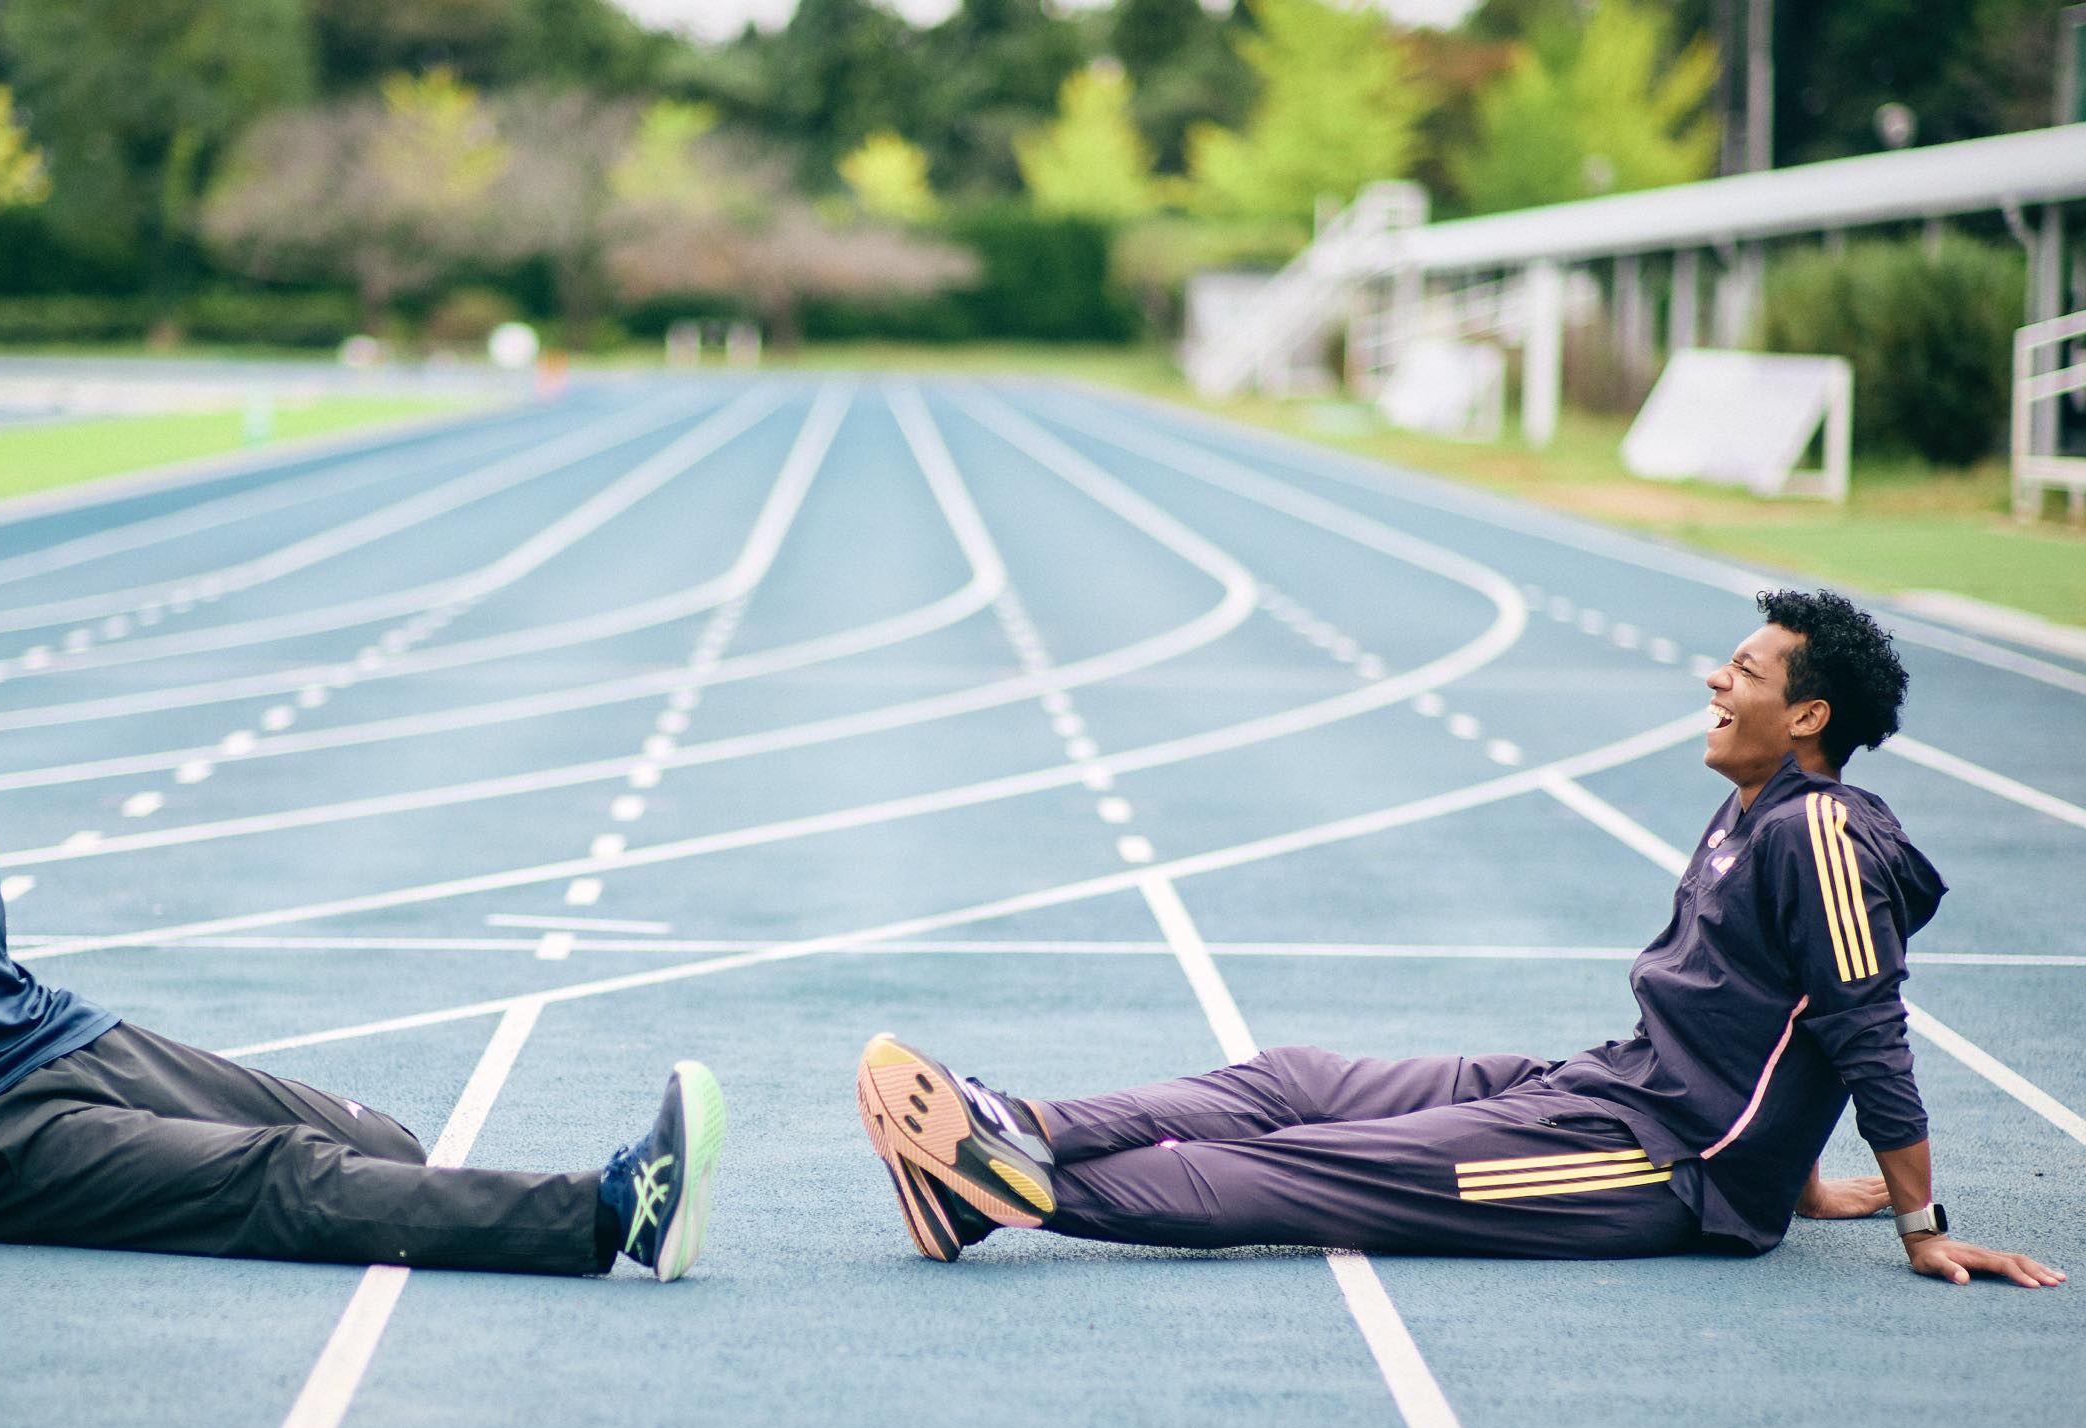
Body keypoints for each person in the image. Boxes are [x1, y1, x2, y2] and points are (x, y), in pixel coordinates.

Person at [856, 590, 2063, 1291]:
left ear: (1806, 715)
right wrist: (1798, 1178)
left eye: (1741, 672)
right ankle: (1021, 1128)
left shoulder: (1825, 840)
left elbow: (1863, 1030)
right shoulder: (1753, 811)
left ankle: (1008, 1192)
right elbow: (1765, 1017)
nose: (1712, 679)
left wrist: (1916, 1227)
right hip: (1609, 1085)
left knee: (1314, 1172)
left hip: (1654, 1166)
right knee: (1297, 1082)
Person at [0, 535, 724, 1281]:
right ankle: (610, 1211)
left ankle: (499, 1201)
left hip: (59, 1042)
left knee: (368, 1139)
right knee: (283, 1183)